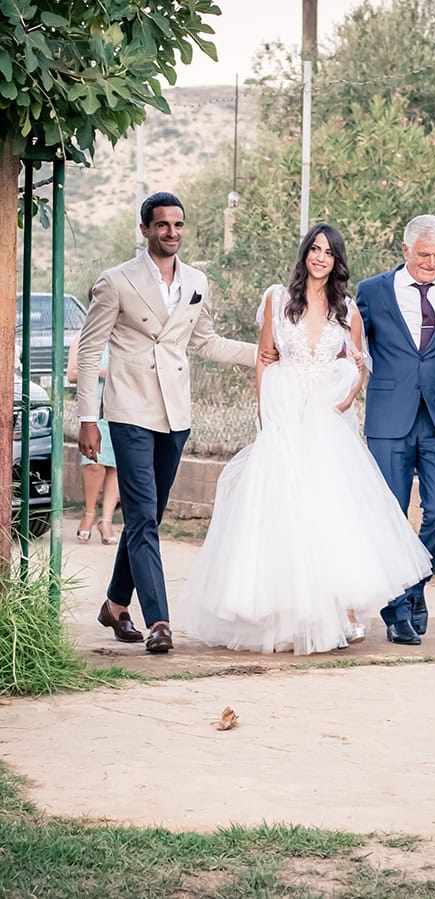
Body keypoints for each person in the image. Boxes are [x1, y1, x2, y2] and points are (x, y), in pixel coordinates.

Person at [183, 223, 432, 655]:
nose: (320, 257)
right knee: (283, 511)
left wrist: (346, 396)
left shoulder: (347, 309)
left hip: (325, 421)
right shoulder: (277, 298)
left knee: (329, 513)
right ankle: (286, 613)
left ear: (337, 262)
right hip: (284, 415)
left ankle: (339, 612)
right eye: (314, 249)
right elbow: (264, 359)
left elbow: (358, 362)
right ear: (305, 254)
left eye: (328, 252)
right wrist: (265, 413)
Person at [77, 191, 259, 654]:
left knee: (148, 516)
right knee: (141, 517)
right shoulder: (115, 281)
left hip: (175, 415)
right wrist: (87, 418)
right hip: (129, 411)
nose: (171, 232)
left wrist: (263, 355)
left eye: (178, 225)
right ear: (145, 230)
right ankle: (159, 621)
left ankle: (116, 605)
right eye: (162, 225)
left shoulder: (197, 281)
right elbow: (88, 349)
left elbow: (207, 342)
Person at [356, 214, 435, 646]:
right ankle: (396, 611)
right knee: (390, 514)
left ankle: (414, 586)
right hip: (389, 418)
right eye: (424, 255)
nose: (432, 264)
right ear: (405, 250)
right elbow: (351, 350)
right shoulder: (371, 292)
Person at [68, 331, 120, 545]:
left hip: (119, 408)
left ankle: (106, 520)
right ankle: (88, 514)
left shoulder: (124, 335)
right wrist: (104, 372)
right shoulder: (83, 336)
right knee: (93, 463)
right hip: (93, 409)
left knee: (117, 466)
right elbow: (72, 373)